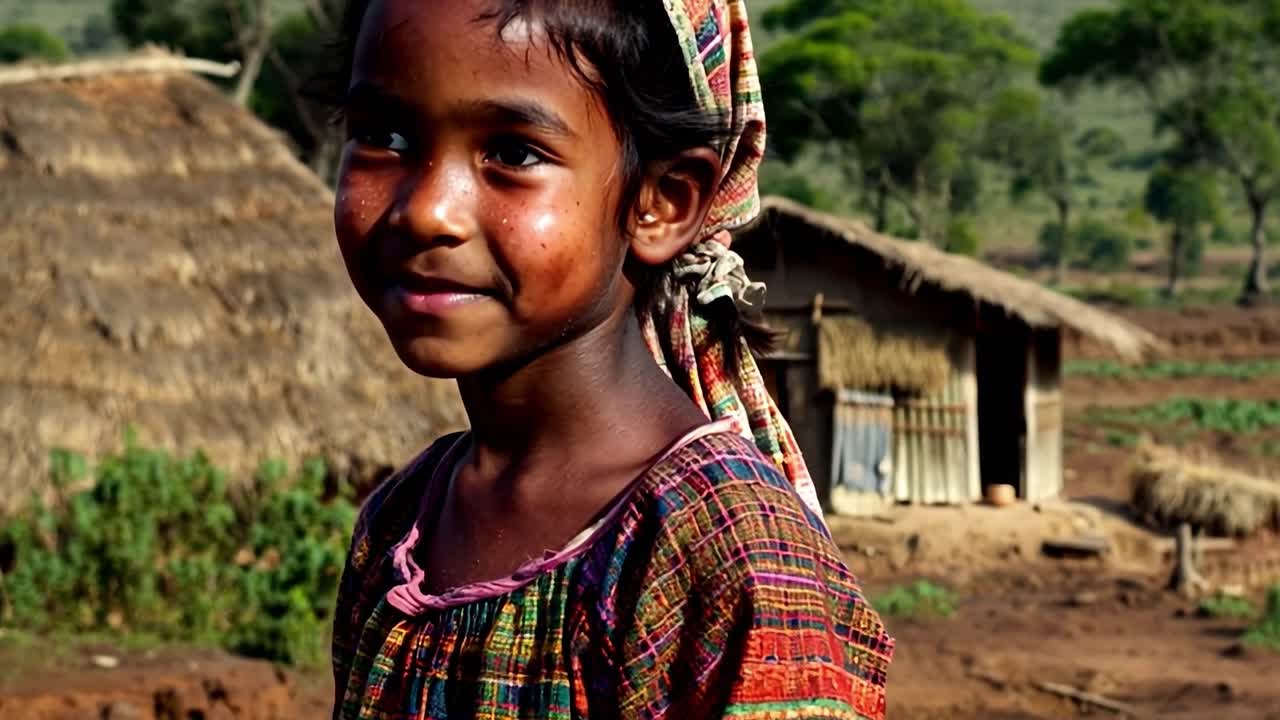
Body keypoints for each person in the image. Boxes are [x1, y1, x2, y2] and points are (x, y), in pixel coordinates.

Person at [326, 0, 894, 717]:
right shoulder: (401, 520)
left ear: (661, 201)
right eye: (384, 135)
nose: (428, 210)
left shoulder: (728, 556)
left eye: (513, 152)